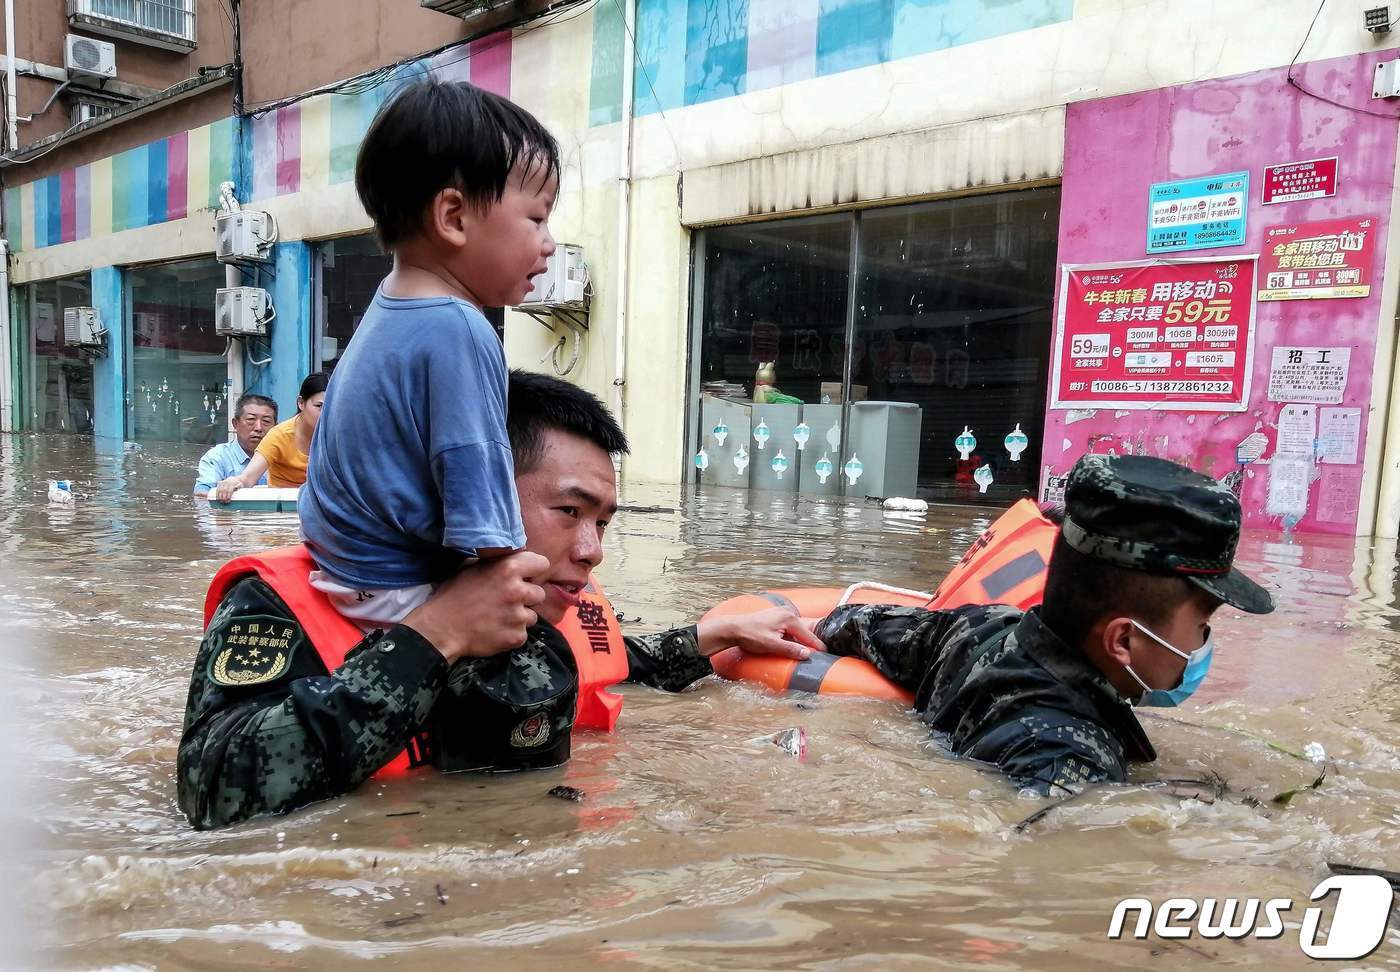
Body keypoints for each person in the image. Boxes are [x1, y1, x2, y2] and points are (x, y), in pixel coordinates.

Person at [178, 371, 818, 829]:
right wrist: (435, 637)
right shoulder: (284, 602)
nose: (593, 550)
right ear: (469, 491)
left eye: (603, 522)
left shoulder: (547, 601)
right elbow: (211, 789)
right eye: (569, 511)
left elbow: (617, 663)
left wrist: (717, 635)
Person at [816, 453, 1275, 798]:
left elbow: (853, 622)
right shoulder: (1069, 760)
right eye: (1201, 625)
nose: (1203, 645)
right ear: (1123, 640)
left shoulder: (980, 626)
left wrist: (798, 620)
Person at [297, 78, 560, 634]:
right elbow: (481, 499)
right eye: (537, 218)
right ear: (454, 217)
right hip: (399, 590)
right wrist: (528, 574)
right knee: (543, 628)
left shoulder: (391, 305)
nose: (549, 242)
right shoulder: (459, 327)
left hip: (346, 569)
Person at [213, 373, 327, 500]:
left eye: (331, 406)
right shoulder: (280, 435)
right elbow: (248, 477)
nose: (326, 413)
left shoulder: (339, 437)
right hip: (283, 506)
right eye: (319, 406)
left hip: (323, 505)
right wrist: (233, 482)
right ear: (301, 403)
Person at [193, 394, 277, 498]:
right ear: (235, 424)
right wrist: (223, 495)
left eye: (266, 421)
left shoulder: (283, 455)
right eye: (251, 420)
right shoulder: (217, 457)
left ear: (276, 427)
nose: (258, 428)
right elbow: (200, 494)